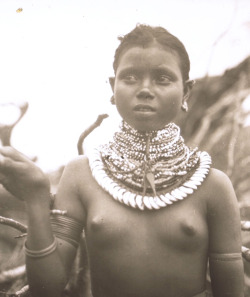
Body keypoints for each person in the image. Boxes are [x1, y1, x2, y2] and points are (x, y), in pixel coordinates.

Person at [0, 24, 244, 297]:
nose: (145, 90)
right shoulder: (82, 175)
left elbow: (231, 292)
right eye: (130, 77)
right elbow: (47, 289)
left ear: (186, 92)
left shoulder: (213, 185)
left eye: (163, 78)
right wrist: (35, 197)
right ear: (112, 87)